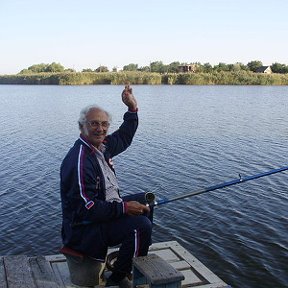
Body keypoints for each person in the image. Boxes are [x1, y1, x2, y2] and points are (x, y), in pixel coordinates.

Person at [60, 85, 152, 286]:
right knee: (141, 225)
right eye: (94, 123)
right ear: (82, 126)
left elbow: (124, 137)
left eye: (104, 124)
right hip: (85, 229)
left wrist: (132, 109)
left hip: (105, 211)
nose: (100, 129)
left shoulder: (101, 147)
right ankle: (118, 278)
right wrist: (125, 208)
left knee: (145, 201)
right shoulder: (79, 160)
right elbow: (87, 209)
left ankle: (130, 262)